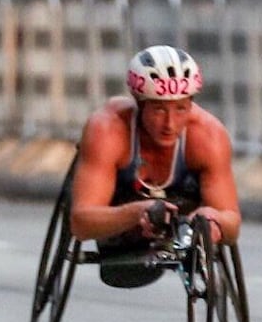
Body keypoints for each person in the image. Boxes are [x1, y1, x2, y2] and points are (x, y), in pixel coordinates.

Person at [70, 45, 241, 285]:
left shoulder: (209, 137)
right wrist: (137, 212)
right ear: (140, 104)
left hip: (182, 201)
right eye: (159, 109)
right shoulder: (107, 130)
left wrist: (215, 221)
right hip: (124, 203)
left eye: (181, 108)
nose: (170, 124)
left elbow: (233, 226)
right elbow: (81, 223)